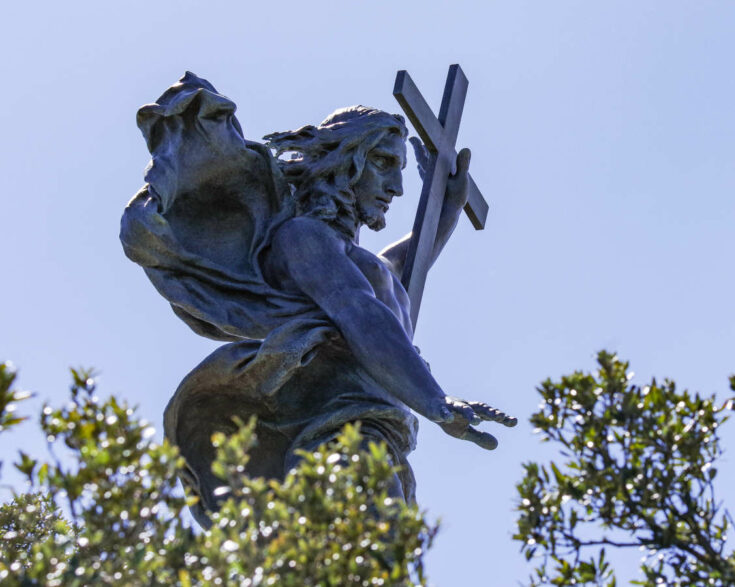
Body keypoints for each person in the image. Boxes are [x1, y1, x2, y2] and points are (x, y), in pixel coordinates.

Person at [121, 73, 513, 521]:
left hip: (381, 438)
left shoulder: (361, 264)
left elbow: (398, 272)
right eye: (384, 163)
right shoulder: (303, 237)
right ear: (347, 162)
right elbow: (360, 312)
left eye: (400, 171)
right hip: (337, 439)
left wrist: (442, 213)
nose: (398, 189)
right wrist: (437, 404)